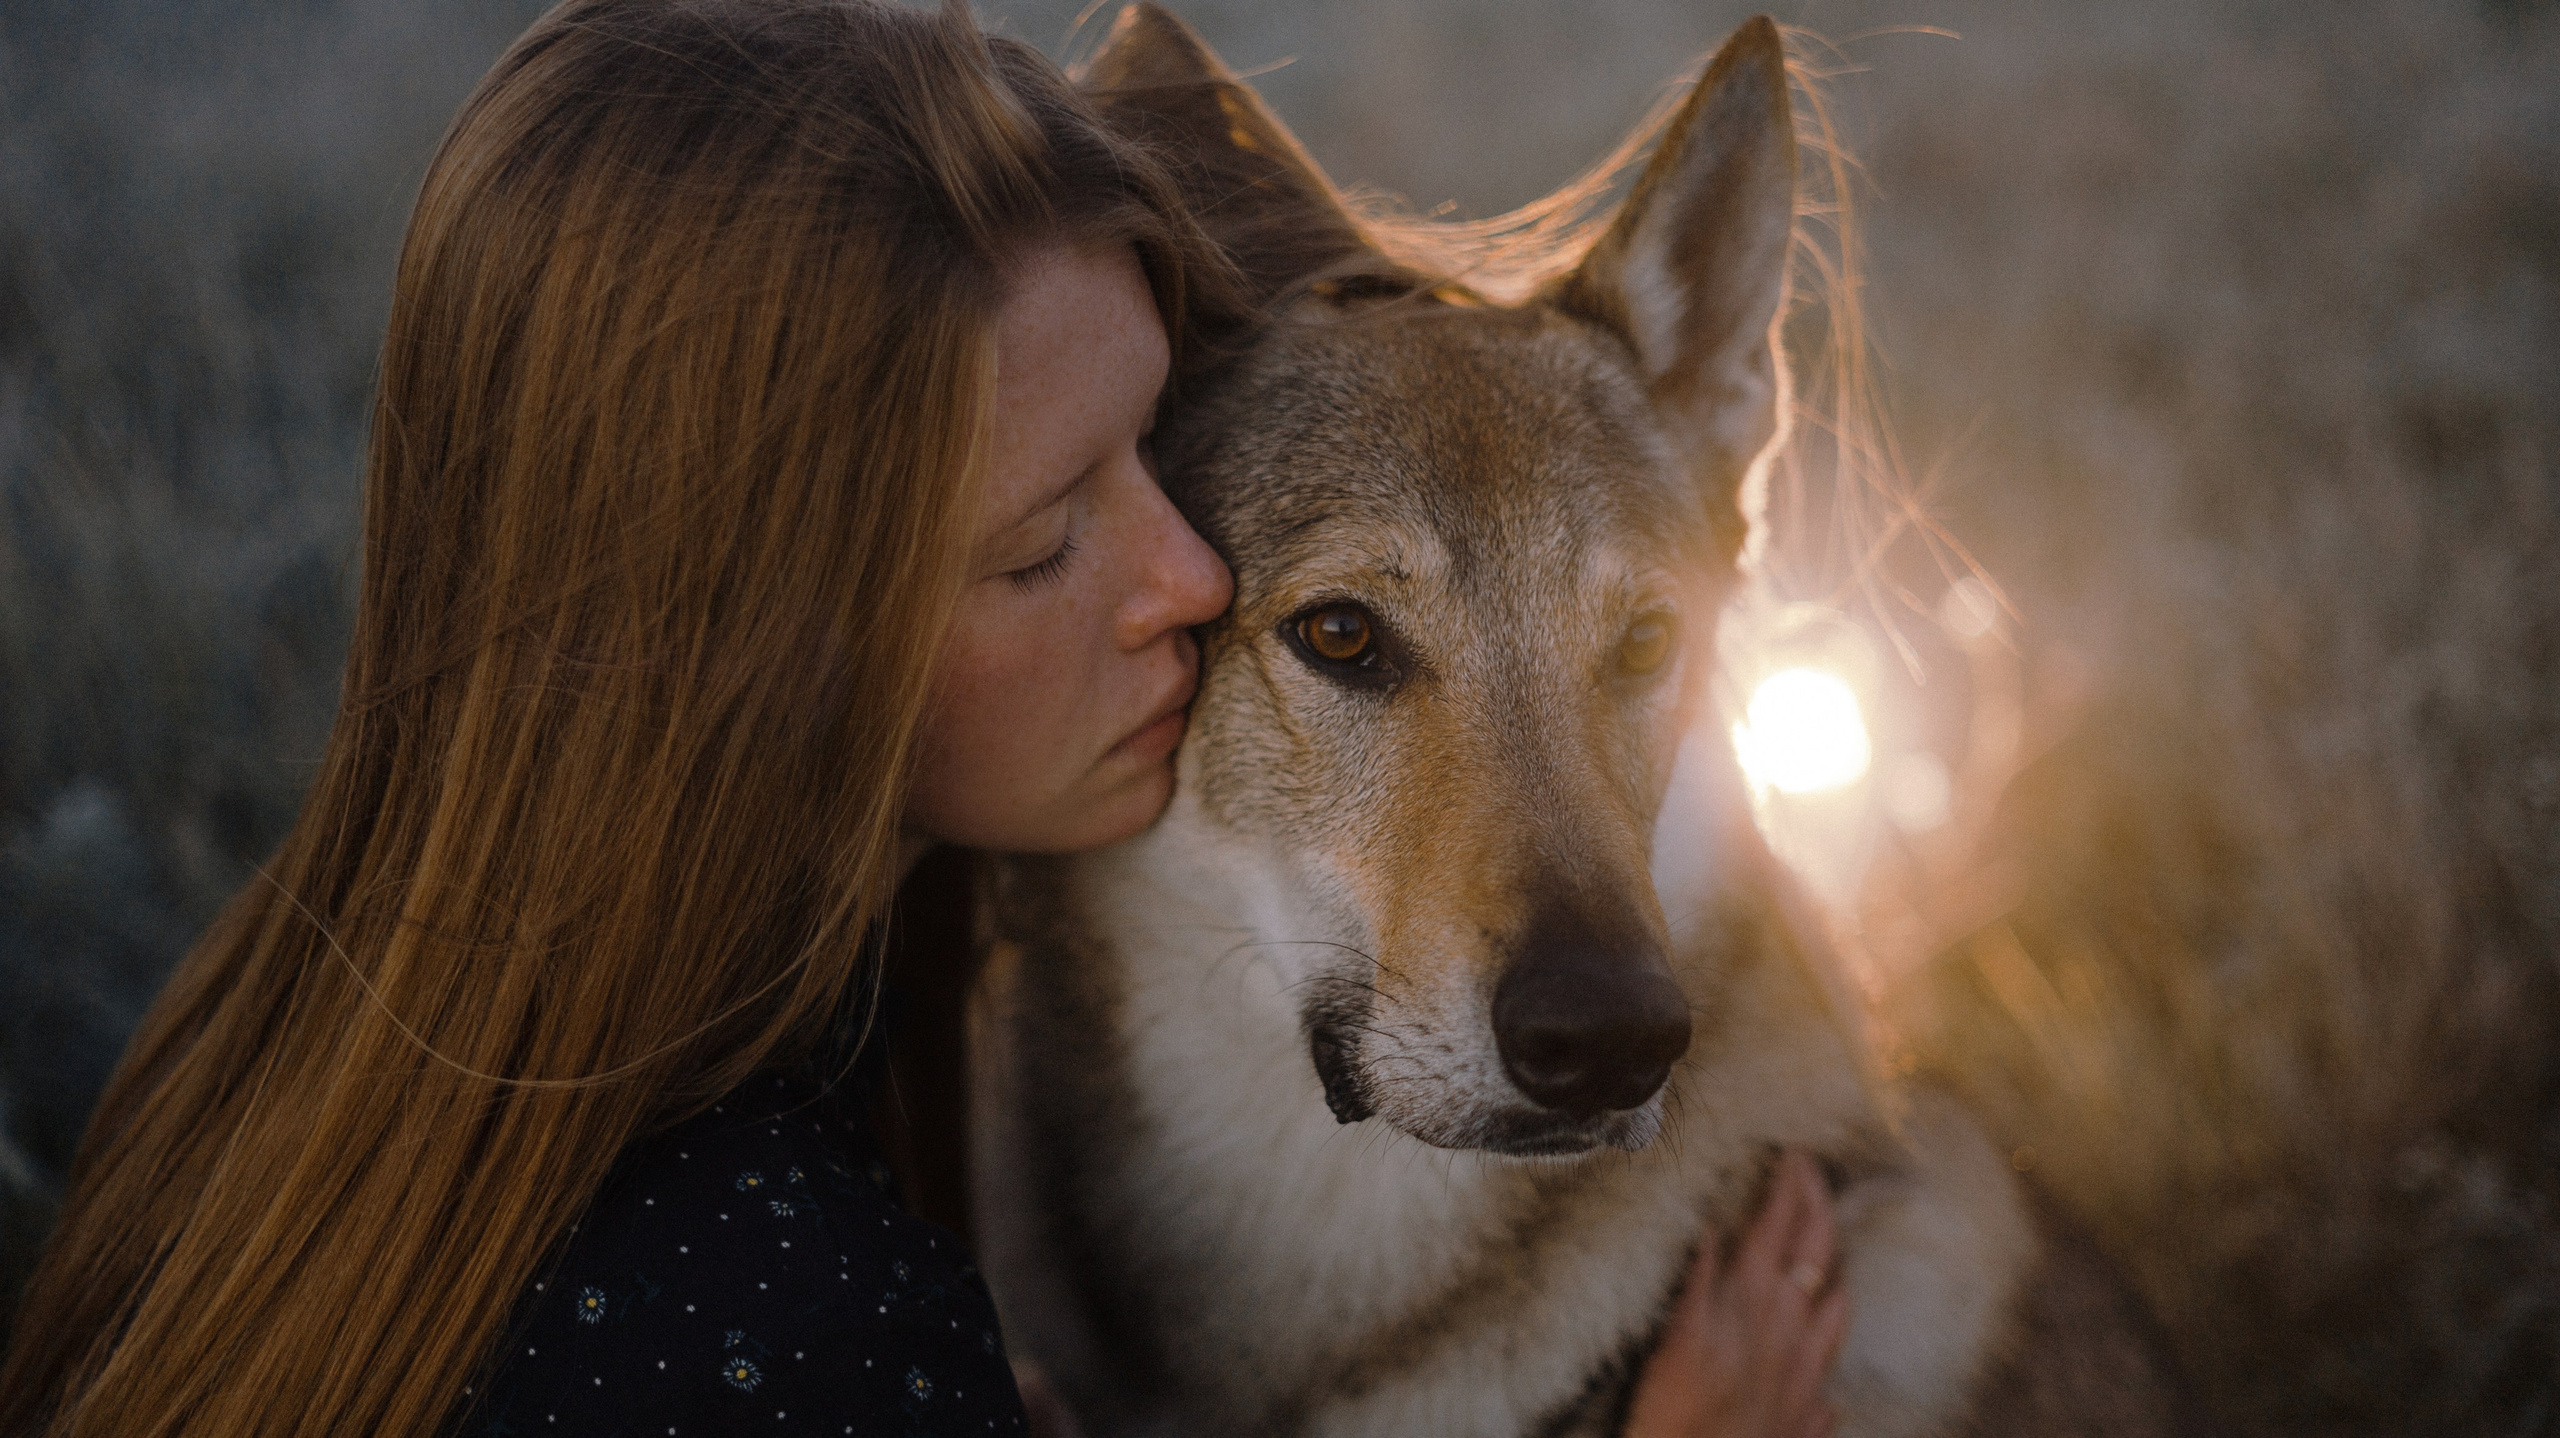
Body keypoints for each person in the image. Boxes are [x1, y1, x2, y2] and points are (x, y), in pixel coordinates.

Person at [0, 2, 1848, 1435]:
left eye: (1150, 451)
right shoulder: (785, 1317)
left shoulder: (292, 1030)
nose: (1193, 575)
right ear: (764, 642)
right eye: (1046, 541)